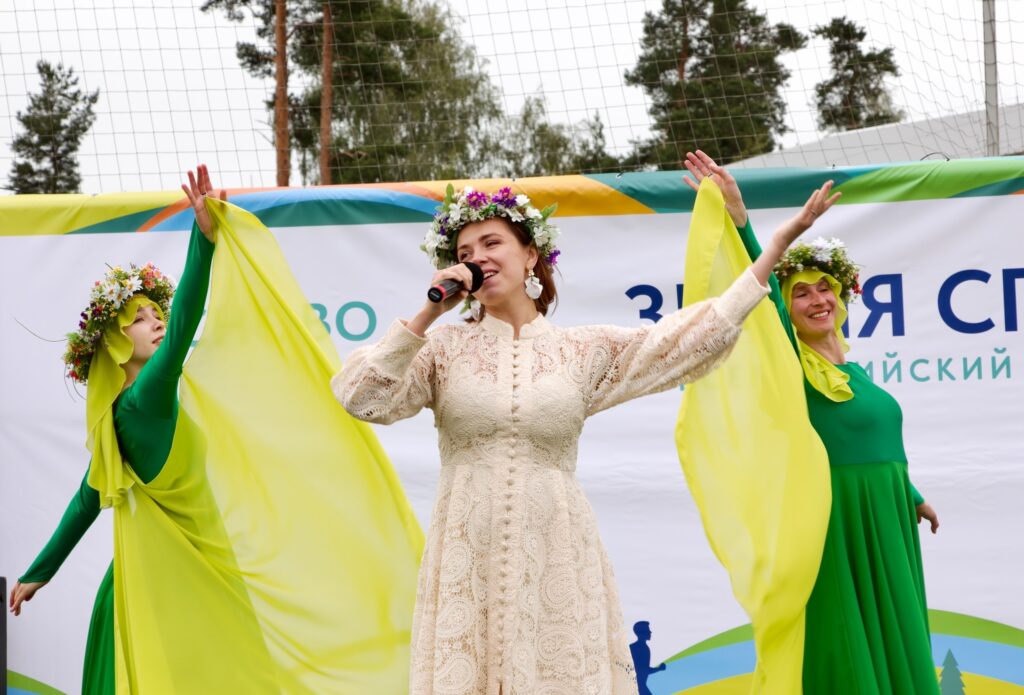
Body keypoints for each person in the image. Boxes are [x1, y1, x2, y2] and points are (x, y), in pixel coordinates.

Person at [331, 181, 836, 694]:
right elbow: (362, 397)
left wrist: (774, 246)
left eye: (491, 243)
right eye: (464, 253)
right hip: (467, 550)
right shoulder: (442, 349)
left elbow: (688, 338)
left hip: (556, 547)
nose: (476, 258)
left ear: (530, 256)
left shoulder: (581, 351)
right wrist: (428, 313)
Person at [683, 151, 940, 694]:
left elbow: (874, 442)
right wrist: (742, 221)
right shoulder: (792, 365)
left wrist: (912, 495)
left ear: (841, 296)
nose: (817, 300)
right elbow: (762, 299)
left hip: (887, 516)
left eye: (824, 288)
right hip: (833, 515)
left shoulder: (856, 374)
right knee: (843, 638)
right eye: (801, 292)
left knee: (894, 631)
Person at [9, 165, 221, 695]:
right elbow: (186, 320)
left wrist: (38, 573)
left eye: (156, 312)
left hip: (148, 574)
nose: (157, 320)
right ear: (114, 343)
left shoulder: (118, 417)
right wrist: (203, 241)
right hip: (174, 578)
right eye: (140, 317)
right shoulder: (146, 397)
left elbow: (86, 499)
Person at [629, 621, 666, 695]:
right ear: (641, 633)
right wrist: (659, 668)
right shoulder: (643, 648)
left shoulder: (634, 647)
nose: (650, 632)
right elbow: (642, 671)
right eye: (647, 630)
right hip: (638, 687)